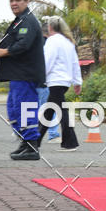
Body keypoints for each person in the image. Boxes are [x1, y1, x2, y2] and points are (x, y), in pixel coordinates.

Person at [0, 0, 45, 161]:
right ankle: (25, 143)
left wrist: (4, 51)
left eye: (17, 0)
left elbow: (23, 44)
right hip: (17, 76)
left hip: (26, 75)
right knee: (14, 112)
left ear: (26, 1)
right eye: (11, 0)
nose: (14, 3)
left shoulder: (28, 21)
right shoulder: (19, 21)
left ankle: (32, 147)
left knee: (25, 109)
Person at [40, 16, 82, 150]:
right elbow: (75, 63)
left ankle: (71, 143)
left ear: (50, 27)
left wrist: (41, 76)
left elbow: (48, 60)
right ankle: (35, 141)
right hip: (64, 82)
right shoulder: (68, 42)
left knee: (61, 111)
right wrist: (77, 82)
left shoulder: (52, 41)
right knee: (49, 111)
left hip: (55, 81)